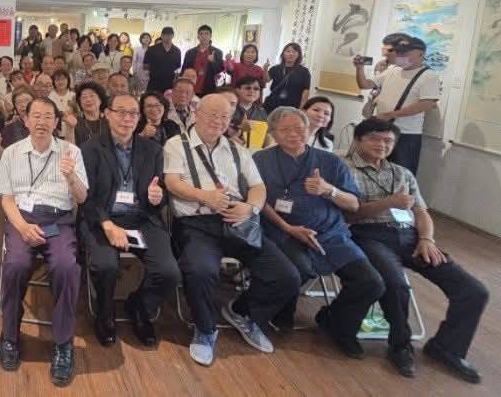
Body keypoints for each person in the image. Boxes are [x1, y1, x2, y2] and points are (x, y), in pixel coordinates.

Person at [344, 118, 488, 382]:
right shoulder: (345, 169)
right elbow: (348, 216)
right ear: (358, 140)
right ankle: (400, 346)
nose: (382, 144)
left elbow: (421, 211)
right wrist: (389, 203)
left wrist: (427, 239)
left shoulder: (403, 173)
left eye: (388, 140)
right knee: (396, 285)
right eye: (374, 138)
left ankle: (447, 348)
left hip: (410, 236)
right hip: (368, 235)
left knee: (474, 290)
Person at [164, 94, 301, 366]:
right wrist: (205, 196)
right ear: (197, 113)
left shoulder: (238, 150)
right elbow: (172, 183)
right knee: (200, 270)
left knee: (287, 275)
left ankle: (242, 312)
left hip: (239, 222)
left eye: (225, 117)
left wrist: (250, 208)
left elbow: (258, 187)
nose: (219, 121)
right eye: (212, 115)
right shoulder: (176, 144)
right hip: (197, 224)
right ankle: (205, 329)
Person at [254, 106, 384, 360]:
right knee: (297, 270)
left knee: (371, 282)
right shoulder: (261, 160)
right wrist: (288, 228)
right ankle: (279, 313)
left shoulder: (330, 162)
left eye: (299, 128)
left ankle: (337, 322)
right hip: (283, 231)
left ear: (309, 130)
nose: (294, 134)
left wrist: (329, 190)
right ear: (273, 133)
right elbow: (258, 200)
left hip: (331, 235)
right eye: (285, 129)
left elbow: (354, 205)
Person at [0, 97, 87, 387]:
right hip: (22, 217)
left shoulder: (71, 151)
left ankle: (63, 344)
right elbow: (7, 199)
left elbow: (81, 198)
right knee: (16, 264)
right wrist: (22, 226)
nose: (42, 122)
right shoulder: (12, 152)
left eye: (48, 116)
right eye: (36, 116)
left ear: (56, 122)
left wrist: (71, 177)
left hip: (59, 219)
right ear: (26, 119)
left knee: (66, 267)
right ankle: (10, 335)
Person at [81, 93, 181, 347]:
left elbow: (162, 192)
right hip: (103, 218)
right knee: (105, 266)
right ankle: (105, 313)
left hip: (142, 218)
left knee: (169, 273)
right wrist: (107, 225)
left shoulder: (153, 150)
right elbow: (85, 197)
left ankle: (140, 307)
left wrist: (158, 197)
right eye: (121, 112)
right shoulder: (91, 149)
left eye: (133, 113)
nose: (127, 118)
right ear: (107, 114)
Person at [354, 36, 439, 174]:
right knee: (374, 171)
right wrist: (359, 68)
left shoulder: (429, 76)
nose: (401, 55)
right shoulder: (392, 69)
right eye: (399, 52)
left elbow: (427, 104)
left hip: (406, 135)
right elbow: (365, 84)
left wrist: (391, 115)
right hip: (382, 131)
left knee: (400, 175)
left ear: (420, 54)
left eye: (406, 52)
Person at [263, 42, 311, 113]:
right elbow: (266, 80)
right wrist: (265, 70)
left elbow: (306, 92)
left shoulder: (304, 71)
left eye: (294, 52)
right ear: (283, 54)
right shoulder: (276, 68)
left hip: (292, 106)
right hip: (273, 104)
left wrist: (301, 109)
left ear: (298, 55)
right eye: (288, 51)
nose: (291, 54)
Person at [181, 25, 224, 96]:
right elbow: (184, 70)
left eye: (206, 33)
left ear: (210, 36)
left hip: (208, 89)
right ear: (198, 36)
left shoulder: (217, 52)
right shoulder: (190, 52)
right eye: (201, 34)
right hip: (190, 87)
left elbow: (219, 70)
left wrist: (213, 61)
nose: (204, 36)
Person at [0, 88, 34, 160]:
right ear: (15, 107)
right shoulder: (9, 129)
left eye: (26, 100)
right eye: (19, 102)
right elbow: (2, 159)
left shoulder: (46, 123)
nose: (23, 104)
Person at [68, 81, 108, 146]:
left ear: (100, 100)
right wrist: (70, 129)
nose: (88, 99)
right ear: (80, 103)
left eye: (92, 96)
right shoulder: (75, 122)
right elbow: (70, 148)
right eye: (84, 97)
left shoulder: (109, 120)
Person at [144, 26, 181, 95]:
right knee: (151, 99)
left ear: (173, 36)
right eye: (165, 34)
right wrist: (155, 71)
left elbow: (177, 67)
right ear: (161, 36)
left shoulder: (177, 51)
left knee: (167, 101)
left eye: (169, 35)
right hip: (154, 83)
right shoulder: (152, 49)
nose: (167, 37)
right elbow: (145, 65)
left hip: (169, 84)